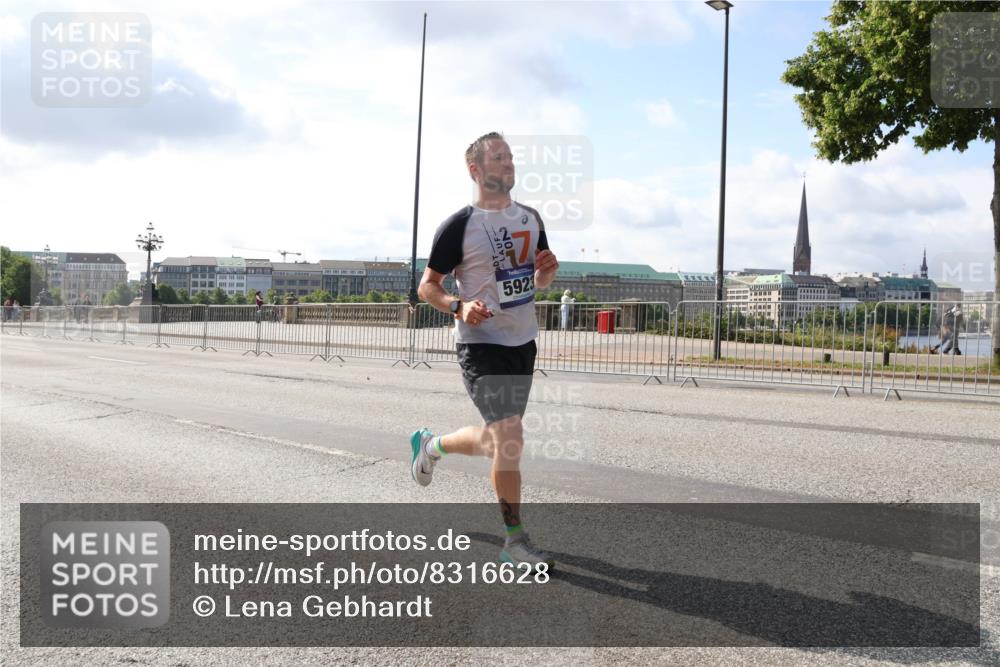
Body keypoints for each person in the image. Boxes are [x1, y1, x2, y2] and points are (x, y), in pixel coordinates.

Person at [410, 131, 560, 570]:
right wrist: (458, 306)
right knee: (510, 438)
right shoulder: (459, 225)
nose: (508, 163)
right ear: (475, 170)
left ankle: (432, 445)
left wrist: (547, 273)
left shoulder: (530, 218)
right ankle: (515, 542)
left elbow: (537, 281)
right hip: (481, 346)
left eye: (510, 157)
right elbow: (427, 287)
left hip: (522, 343)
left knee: (500, 440)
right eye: (498, 158)